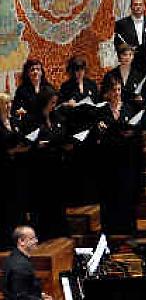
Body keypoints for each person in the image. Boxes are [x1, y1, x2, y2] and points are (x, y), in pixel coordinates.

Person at [95, 77, 146, 236]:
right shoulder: (101, 111)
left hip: (127, 158)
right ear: (107, 93)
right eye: (114, 90)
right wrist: (102, 129)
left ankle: (128, 228)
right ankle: (111, 229)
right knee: (110, 194)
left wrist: (131, 132)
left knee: (127, 192)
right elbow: (97, 134)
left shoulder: (129, 108)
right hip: (109, 160)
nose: (117, 93)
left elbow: (137, 129)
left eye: (118, 90)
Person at [19, 87, 70, 241]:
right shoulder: (32, 120)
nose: (54, 105)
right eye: (51, 102)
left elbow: (62, 135)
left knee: (57, 201)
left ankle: (59, 231)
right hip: (39, 168)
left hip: (56, 166)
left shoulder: (57, 117)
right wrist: (37, 145)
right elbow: (26, 141)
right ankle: (44, 233)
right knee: (42, 203)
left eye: (55, 102)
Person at [58, 56, 100, 205]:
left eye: (81, 69)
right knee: (77, 167)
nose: (79, 72)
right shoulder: (66, 87)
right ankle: (77, 199)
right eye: (76, 69)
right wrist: (69, 106)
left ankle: (92, 197)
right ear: (71, 71)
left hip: (89, 132)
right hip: (75, 131)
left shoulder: (91, 85)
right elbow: (60, 110)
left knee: (91, 165)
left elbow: (97, 105)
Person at [0, 94, 28, 249]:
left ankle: (20, 238)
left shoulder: (15, 122)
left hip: (18, 169)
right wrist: (9, 151)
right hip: (4, 170)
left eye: (9, 103)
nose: (8, 106)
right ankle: (7, 240)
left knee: (19, 204)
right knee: (7, 206)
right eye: (5, 103)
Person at [113, 0, 146, 74]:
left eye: (140, 4)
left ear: (144, 7)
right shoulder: (121, 24)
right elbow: (117, 44)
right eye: (135, 4)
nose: (138, 7)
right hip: (128, 62)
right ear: (131, 7)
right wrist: (121, 59)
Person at [2, 226, 52, 300]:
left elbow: (25, 288)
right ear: (21, 241)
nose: (36, 241)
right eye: (32, 239)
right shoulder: (21, 266)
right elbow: (20, 296)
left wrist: (40, 295)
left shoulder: (14, 255)